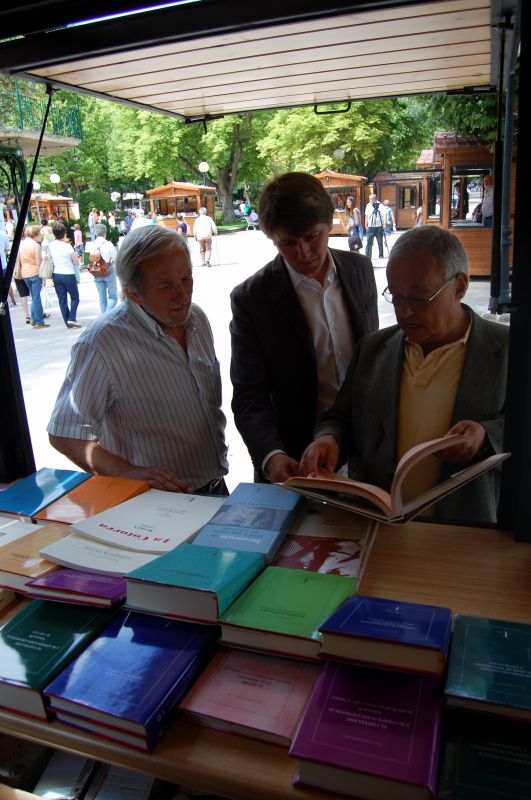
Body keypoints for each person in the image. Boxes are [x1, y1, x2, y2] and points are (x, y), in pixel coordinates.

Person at [300, 226, 508, 525]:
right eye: (395, 297)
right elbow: (342, 417)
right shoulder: (372, 349)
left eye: (418, 298)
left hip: (466, 532)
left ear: (460, 286)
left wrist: (486, 436)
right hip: (378, 526)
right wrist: (329, 439)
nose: (404, 312)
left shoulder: (508, 351)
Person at [48, 225, 228, 495]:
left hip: (215, 486)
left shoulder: (197, 319)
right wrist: (127, 473)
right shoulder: (102, 343)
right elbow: (65, 432)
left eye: (186, 279)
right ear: (134, 293)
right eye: (166, 285)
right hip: (153, 502)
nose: (182, 294)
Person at [230, 171, 378, 484]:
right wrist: (271, 455)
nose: (303, 253)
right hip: (296, 462)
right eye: (287, 243)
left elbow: (373, 358)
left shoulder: (359, 269)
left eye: (312, 236)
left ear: (330, 223)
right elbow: (249, 394)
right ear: (271, 238)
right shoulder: (252, 298)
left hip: (365, 451)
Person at [48, 223, 81, 329]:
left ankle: (67, 321)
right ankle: (72, 318)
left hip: (56, 274)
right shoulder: (67, 247)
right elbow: (76, 261)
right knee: (75, 297)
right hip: (68, 274)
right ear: (64, 233)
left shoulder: (51, 245)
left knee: (62, 299)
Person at [18, 224, 49, 328]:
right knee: (36, 297)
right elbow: (39, 263)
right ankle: (39, 321)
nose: (41, 236)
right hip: (35, 272)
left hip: (24, 273)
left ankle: (33, 318)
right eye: (39, 234)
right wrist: (43, 277)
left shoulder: (21, 244)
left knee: (33, 296)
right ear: (35, 235)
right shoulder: (35, 245)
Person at [91, 222, 118, 313]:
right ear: (105, 232)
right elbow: (114, 257)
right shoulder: (108, 244)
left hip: (96, 271)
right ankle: (107, 315)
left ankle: (103, 316)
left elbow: (89, 259)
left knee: (102, 298)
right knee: (113, 297)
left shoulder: (92, 244)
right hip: (108, 269)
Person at [364, 193, 385, 259]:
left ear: (375, 198)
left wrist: (384, 224)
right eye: (370, 199)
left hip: (379, 226)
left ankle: (381, 254)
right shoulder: (368, 205)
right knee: (369, 242)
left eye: (372, 199)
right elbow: (366, 215)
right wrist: (366, 224)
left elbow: (384, 215)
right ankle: (368, 255)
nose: (371, 200)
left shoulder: (380, 205)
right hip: (371, 226)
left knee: (380, 241)